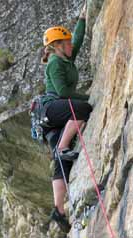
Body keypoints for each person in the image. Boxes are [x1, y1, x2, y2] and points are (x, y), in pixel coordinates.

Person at [41, 3, 92, 233]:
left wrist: (82, 18)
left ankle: (58, 210)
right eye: (67, 42)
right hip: (52, 109)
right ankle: (62, 146)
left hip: (55, 119)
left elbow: (79, 40)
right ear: (57, 46)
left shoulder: (66, 59)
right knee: (82, 108)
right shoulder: (54, 63)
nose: (72, 45)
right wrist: (89, 96)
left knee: (63, 164)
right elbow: (63, 93)